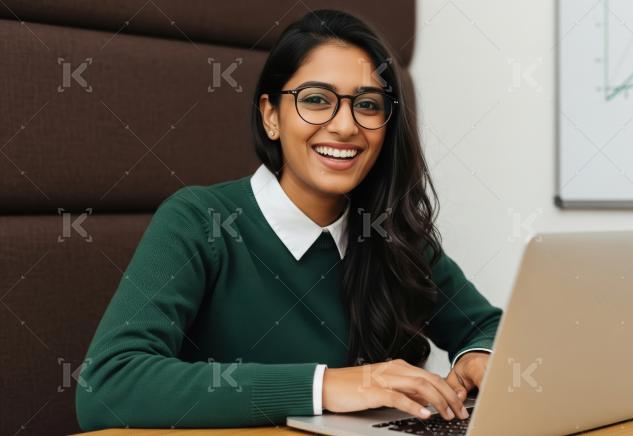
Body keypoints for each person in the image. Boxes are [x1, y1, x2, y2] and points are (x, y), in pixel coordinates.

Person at [76, 9, 502, 430]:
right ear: (271, 116)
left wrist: (477, 356)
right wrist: (323, 386)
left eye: (367, 105)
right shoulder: (200, 221)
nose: (345, 126)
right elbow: (108, 383)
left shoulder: (390, 231)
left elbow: (490, 327)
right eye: (316, 99)